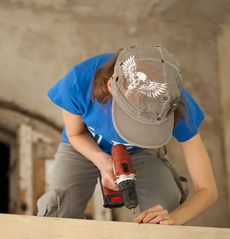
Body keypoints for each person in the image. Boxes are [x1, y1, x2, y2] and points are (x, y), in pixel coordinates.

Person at [37, 43, 218, 225]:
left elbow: (207, 190)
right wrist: (102, 161)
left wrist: (173, 218)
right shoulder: (80, 81)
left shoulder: (174, 103)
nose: (136, 127)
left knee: (165, 206)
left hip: (139, 151)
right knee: (58, 211)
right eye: (133, 120)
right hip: (82, 145)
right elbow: (75, 135)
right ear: (110, 86)